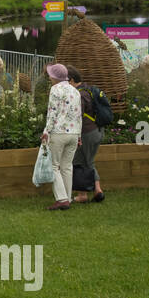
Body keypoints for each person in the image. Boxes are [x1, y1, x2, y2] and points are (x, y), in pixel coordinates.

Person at [40, 63, 81, 211]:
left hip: (58, 132)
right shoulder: (75, 90)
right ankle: (68, 197)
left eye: (51, 74)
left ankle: (62, 200)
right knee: (67, 166)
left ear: (54, 77)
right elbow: (78, 114)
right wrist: (79, 134)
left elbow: (52, 112)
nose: (49, 77)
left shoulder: (55, 89)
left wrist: (46, 131)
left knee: (54, 166)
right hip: (74, 133)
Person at [68, 67, 104, 203]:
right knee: (86, 162)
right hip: (97, 130)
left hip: (86, 133)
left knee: (80, 162)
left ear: (71, 80)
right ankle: (95, 191)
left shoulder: (79, 94)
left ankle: (86, 194)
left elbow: (78, 116)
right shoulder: (88, 89)